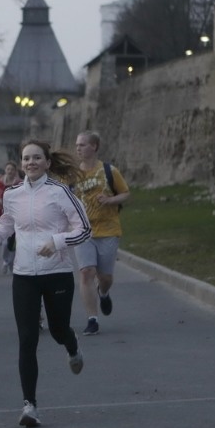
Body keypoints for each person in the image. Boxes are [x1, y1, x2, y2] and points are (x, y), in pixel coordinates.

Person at [0, 139, 91, 428]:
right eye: (26, 158)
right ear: (21, 163)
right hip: (24, 274)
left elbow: (83, 229)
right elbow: (7, 224)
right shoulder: (13, 194)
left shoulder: (60, 192)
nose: (31, 163)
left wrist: (56, 242)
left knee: (57, 329)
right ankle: (30, 405)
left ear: (47, 162)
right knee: (27, 339)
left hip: (57, 272)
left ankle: (71, 344)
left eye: (37, 158)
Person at [73, 130, 130, 336]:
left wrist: (109, 200)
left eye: (82, 144)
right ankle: (92, 319)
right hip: (83, 231)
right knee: (86, 272)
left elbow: (125, 193)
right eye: (77, 145)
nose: (78, 148)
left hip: (108, 230)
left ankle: (103, 292)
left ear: (94, 147)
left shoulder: (108, 170)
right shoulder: (73, 175)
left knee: (104, 277)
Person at [0, 161, 23, 274]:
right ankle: (6, 261)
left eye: (12, 169)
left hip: (17, 216)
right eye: (8, 169)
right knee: (5, 243)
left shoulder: (20, 183)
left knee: (13, 242)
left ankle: (11, 262)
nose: (10, 171)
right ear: (5, 170)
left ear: (15, 171)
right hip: (2, 216)